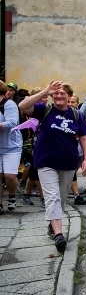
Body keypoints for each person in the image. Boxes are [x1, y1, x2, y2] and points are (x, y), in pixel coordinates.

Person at [19, 80, 86, 252]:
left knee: (62, 197)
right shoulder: (44, 110)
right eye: (55, 93)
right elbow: (22, 106)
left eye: (62, 93)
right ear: (51, 96)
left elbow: (84, 138)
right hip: (46, 161)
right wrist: (45, 91)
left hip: (68, 162)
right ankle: (59, 234)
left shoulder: (76, 115)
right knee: (52, 196)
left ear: (69, 96)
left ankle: (53, 225)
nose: (59, 96)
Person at [0, 80, 23, 214]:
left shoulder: (9, 104)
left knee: (9, 175)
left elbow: (12, 123)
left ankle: (12, 195)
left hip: (11, 145)